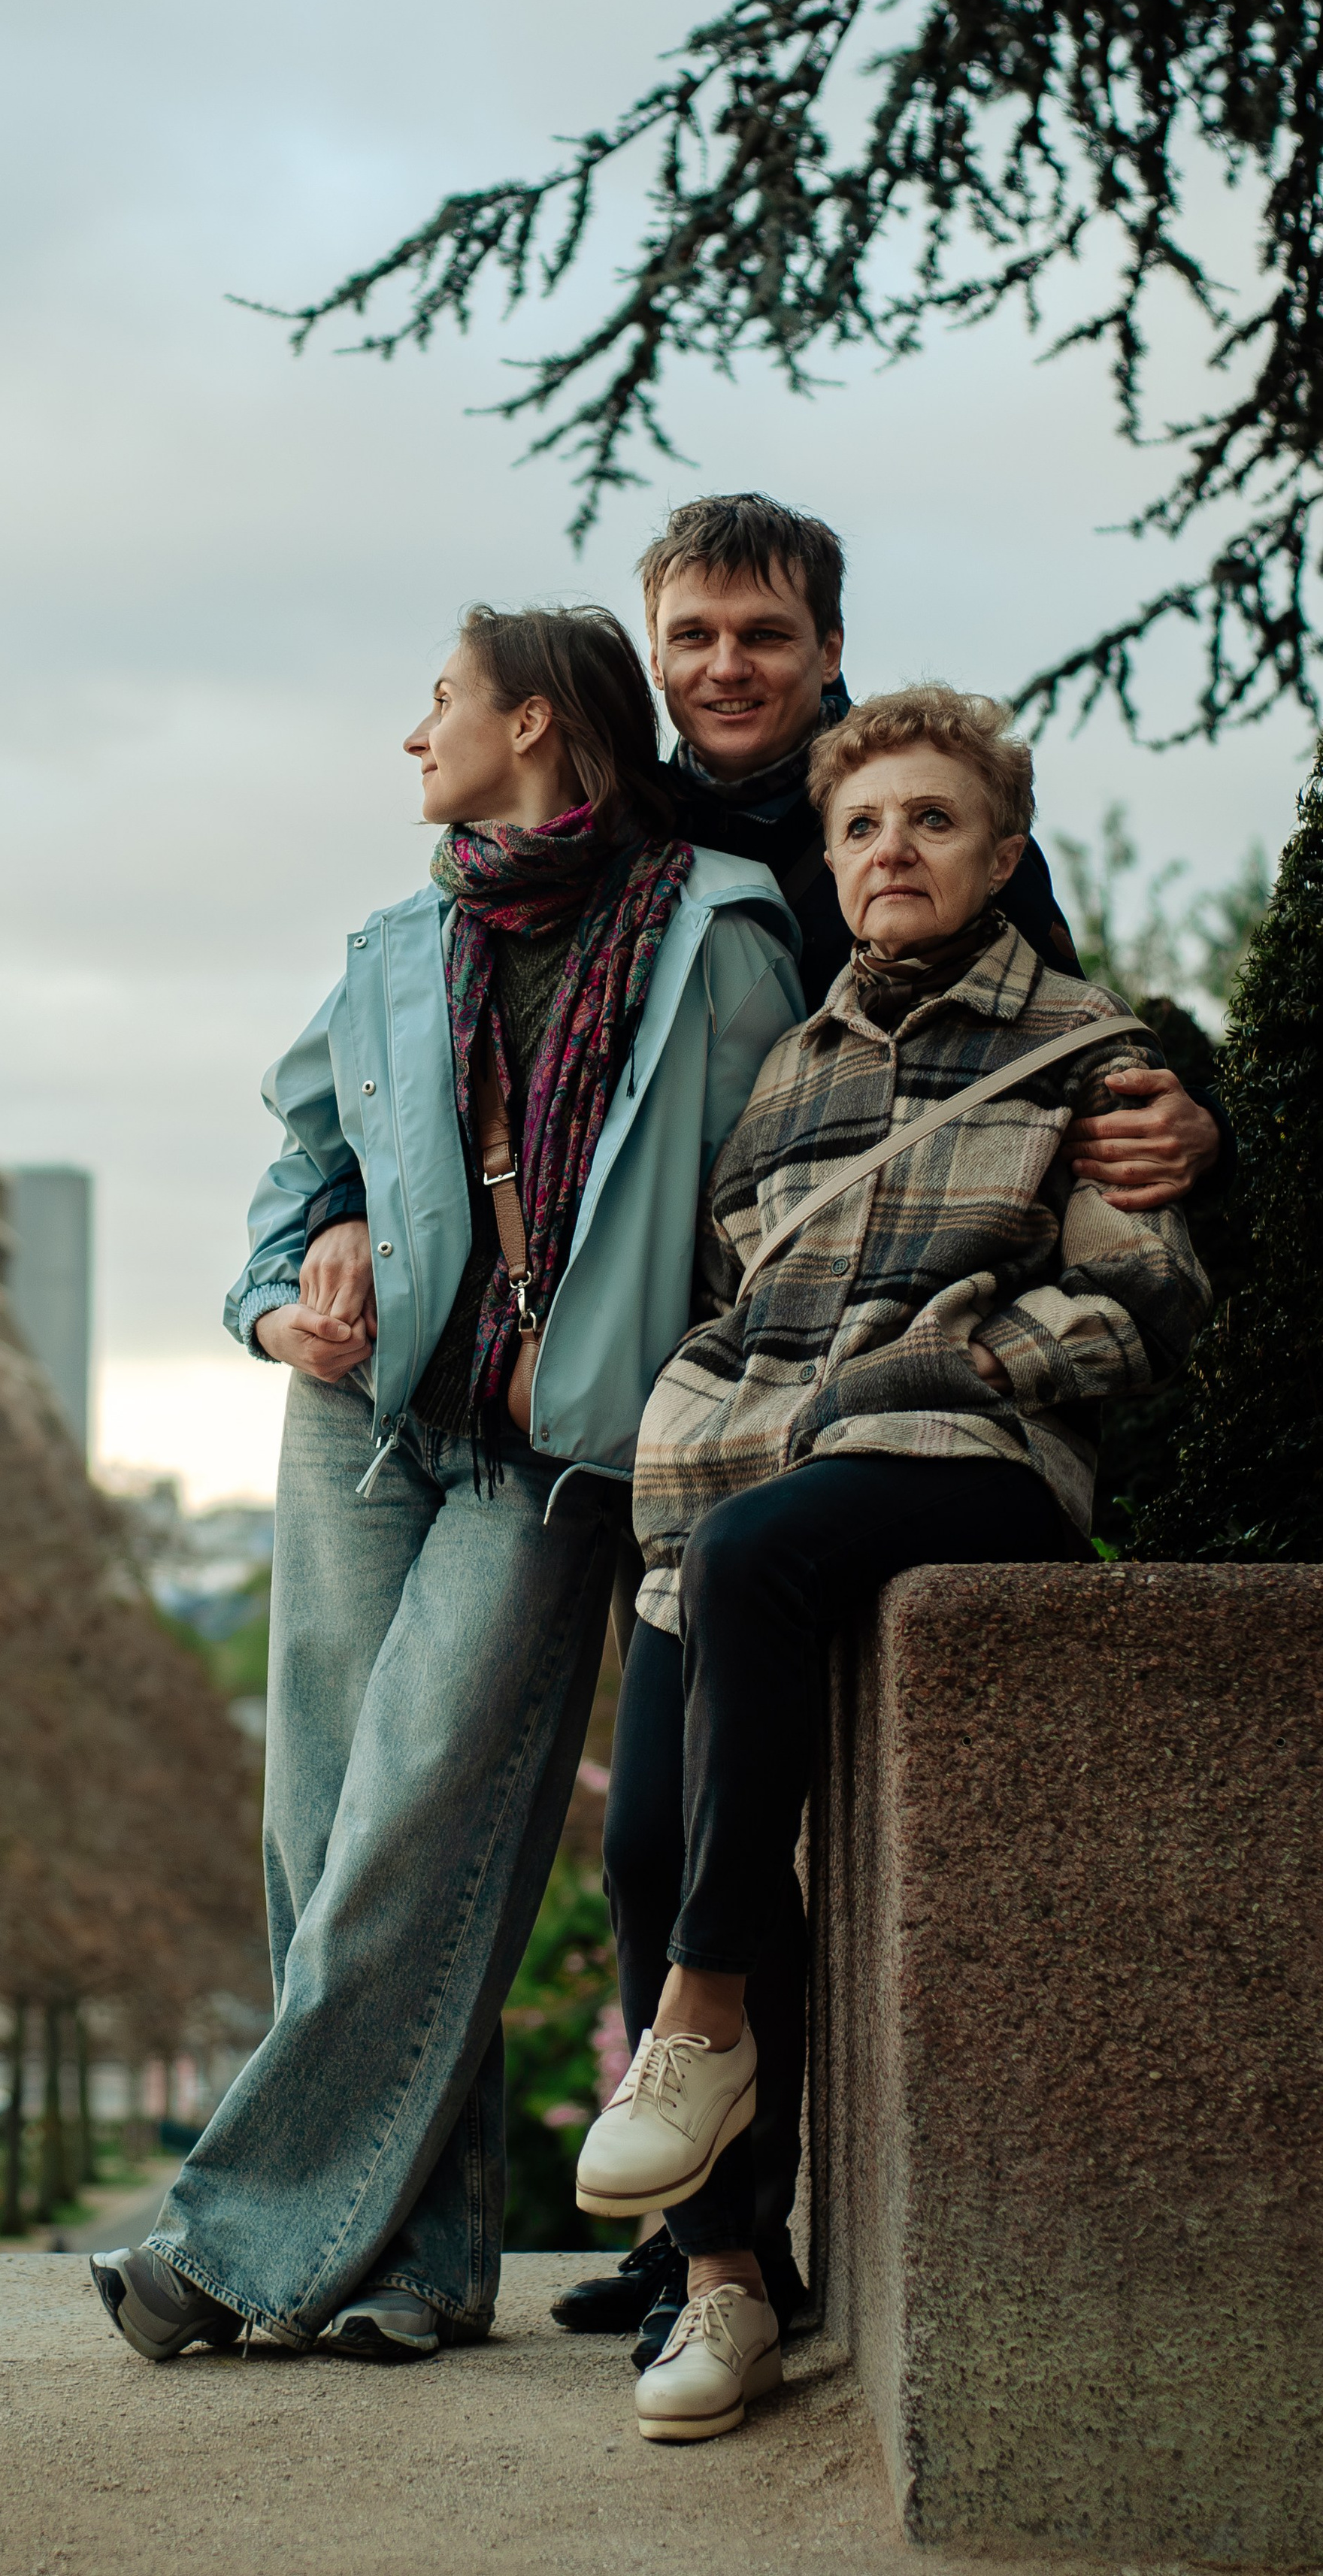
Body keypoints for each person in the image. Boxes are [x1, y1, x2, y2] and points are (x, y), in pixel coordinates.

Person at [313, 495, 1225, 2357]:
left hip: (896, 1422)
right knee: (638, 1837)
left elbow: (1083, 1062)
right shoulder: (637, 849)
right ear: (653, 665)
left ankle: (705, 2084)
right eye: (694, 638)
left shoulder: (916, 835)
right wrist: (337, 1204)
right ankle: (714, 2252)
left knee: (718, 1689)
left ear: (826, 657)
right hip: (676, 1411)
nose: (726, 668)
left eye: (764, 636)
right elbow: (448, 1049)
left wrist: (1187, 1111)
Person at [90, 604, 800, 2361]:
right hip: (365, 1410)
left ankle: (235, 2242)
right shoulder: (395, 942)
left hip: (555, 1451)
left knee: (419, 1814)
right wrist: (286, 1289)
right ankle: (415, 2267)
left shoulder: (715, 937)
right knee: (326, 1829)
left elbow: (758, 1208)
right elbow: (301, 1164)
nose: (415, 738)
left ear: (539, 724)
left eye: (440, 702)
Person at [580, 683, 1212, 2443]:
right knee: (642, 1833)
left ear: (1002, 856)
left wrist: (957, 1370)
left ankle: (700, 2023)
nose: (889, 850)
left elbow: (1140, 1292)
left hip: (961, 1460)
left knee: (768, 1551)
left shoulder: (1093, 1050)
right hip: (733, 1482)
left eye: (930, 821)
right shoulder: (787, 1065)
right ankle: (726, 2284)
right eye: (860, 825)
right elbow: (726, 1290)